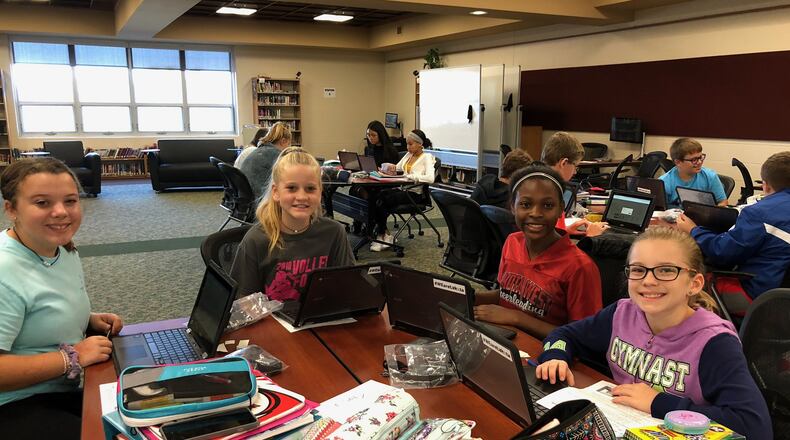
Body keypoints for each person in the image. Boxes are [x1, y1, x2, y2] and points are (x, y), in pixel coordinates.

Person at [535, 227, 771, 439]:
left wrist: (659, 403)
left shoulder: (715, 343)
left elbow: (754, 427)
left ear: (694, 284)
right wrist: (555, 356)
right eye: (638, 270)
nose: (648, 280)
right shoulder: (622, 313)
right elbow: (564, 335)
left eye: (666, 270)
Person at [0, 158, 123, 438]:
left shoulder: (61, 249)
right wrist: (72, 357)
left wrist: (88, 319)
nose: (61, 212)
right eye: (42, 203)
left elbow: (37, 306)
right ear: (11, 209)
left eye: (70, 201)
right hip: (14, 404)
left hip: (57, 390)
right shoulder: (4, 269)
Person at [473, 163, 603, 339]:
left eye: (548, 205)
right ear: (513, 207)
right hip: (507, 341)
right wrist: (471, 297)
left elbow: (583, 338)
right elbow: (508, 295)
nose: (536, 213)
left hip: (547, 352)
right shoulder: (512, 242)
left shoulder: (579, 267)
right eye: (525, 204)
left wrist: (517, 318)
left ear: (560, 209)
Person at [231, 147, 355, 301]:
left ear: (320, 191)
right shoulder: (257, 240)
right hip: (273, 316)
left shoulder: (334, 232)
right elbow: (243, 301)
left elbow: (348, 284)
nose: (302, 196)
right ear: (276, 192)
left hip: (321, 314)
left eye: (310, 189)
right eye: (291, 188)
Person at [677, 151, 790, 298]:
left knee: (686, 282)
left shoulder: (758, 213)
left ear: (766, 186)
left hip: (761, 295)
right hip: (779, 291)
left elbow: (722, 253)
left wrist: (693, 230)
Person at [371, 129, 436, 251]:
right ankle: (384, 234)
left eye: (410, 144)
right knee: (377, 196)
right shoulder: (408, 155)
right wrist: (387, 168)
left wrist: (412, 177)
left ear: (420, 144)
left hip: (414, 194)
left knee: (384, 200)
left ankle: (383, 235)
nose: (408, 147)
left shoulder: (426, 157)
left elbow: (430, 178)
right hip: (403, 189)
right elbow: (397, 168)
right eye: (407, 144)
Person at [540, 132, 607, 236]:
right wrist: (590, 236)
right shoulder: (550, 194)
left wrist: (564, 231)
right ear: (564, 163)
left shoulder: (536, 183)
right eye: (575, 166)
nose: (575, 172)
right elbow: (553, 244)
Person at [660, 137, 728, 207]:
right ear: (678, 162)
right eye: (694, 160)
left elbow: (723, 202)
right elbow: (661, 208)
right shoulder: (664, 182)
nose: (699, 162)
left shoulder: (710, 176)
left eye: (700, 157)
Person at [239, 122, 292, 200]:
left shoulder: (258, 151)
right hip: (259, 200)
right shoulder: (276, 155)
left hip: (245, 198)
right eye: (289, 144)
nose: (289, 147)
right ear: (283, 141)